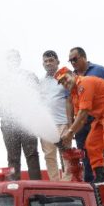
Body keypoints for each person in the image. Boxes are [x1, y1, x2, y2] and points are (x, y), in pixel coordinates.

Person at [0, 50, 42, 180]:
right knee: (13, 157)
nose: (13, 61)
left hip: (27, 122)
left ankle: (36, 186)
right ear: (7, 62)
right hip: (8, 123)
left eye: (15, 58)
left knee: (32, 154)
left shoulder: (29, 76)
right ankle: (14, 185)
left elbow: (38, 96)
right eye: (10, 58)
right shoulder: (0, 80)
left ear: (19, 60)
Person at [68, 47, 104, 182]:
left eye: (75, 59)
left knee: (102, 148)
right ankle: (89, 181)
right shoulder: (70, 77)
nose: (73, 63)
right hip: (81, 121)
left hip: (98, 118)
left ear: (84, 57)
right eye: (70, 61)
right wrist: (71, 124)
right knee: (84, 151)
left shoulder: (99, 70)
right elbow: (69, 101)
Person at [38, 50, 72, 181]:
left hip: (63, 122)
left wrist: (71, 124)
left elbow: (71, 98)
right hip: (46, 125)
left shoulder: (65, 77)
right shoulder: (41, 82)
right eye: (45, 61)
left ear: (57, 62)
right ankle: (55, 182)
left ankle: (67, 181)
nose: (48, 63)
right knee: (49, 155)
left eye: (51, 60)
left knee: (66, 154)